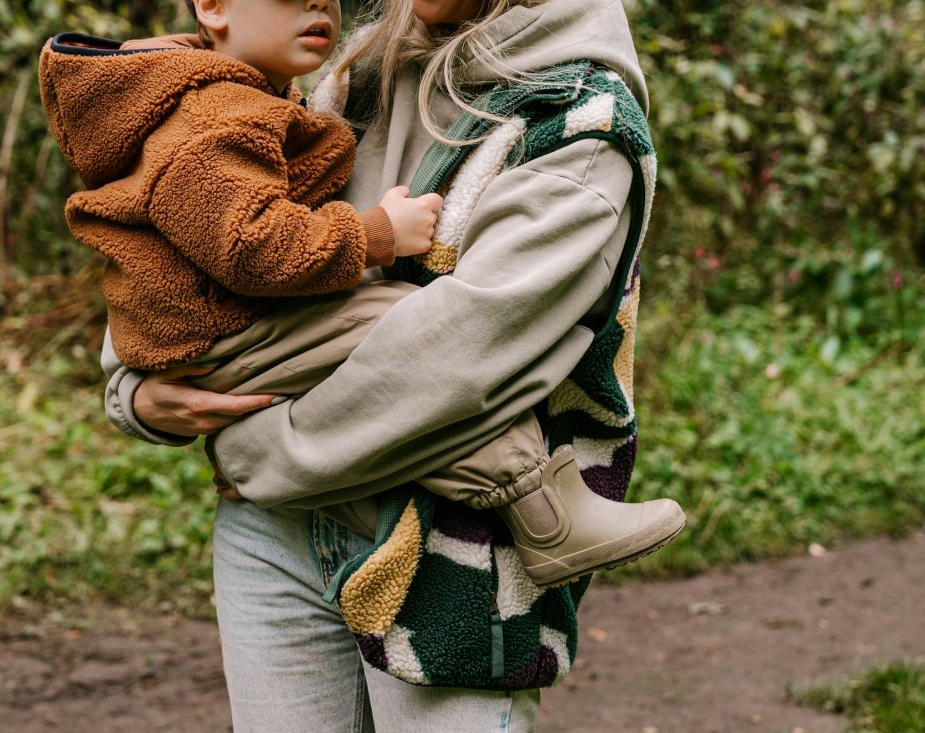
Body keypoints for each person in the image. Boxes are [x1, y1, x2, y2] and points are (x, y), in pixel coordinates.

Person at [98, 0, 675, 728]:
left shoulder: (580, 120)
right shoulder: (349, 70)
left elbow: (457, 361)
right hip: (273, 538)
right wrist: (134, 390)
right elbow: (202, 235)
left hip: (450, 560)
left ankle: (542, 498)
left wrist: (253, 450)